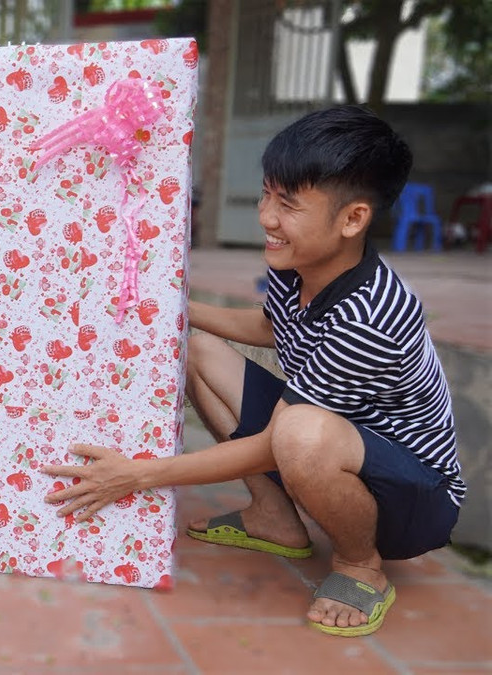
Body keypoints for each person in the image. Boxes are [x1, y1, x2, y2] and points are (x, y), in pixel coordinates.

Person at [43, 105, 464, 637]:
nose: (267, 217)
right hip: (333, 446)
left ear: (352, 218)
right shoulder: (299, 266)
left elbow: (277, 444)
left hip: (415, 498)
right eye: (267, 195)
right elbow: (272, 326)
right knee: (196, 350)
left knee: (300, 434)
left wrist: (138, 474)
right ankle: (273, 518)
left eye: (287, 204)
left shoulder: (372, 314)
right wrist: (170, 305)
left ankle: (361, 566)